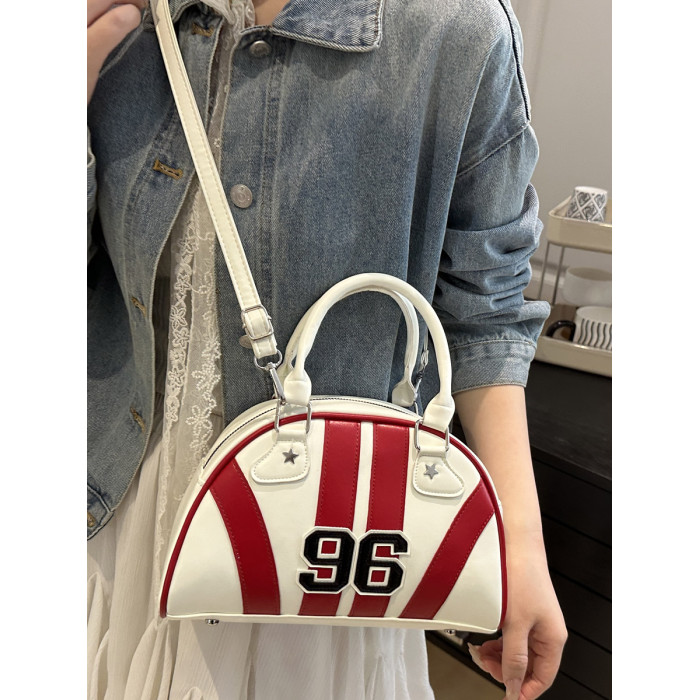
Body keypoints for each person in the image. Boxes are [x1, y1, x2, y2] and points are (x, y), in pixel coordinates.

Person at [87, 0, 567, 698]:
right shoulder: (121, 24)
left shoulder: (455, 30)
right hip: (123, 509)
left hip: (329, 543)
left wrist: (518, 541)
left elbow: (484, 309)